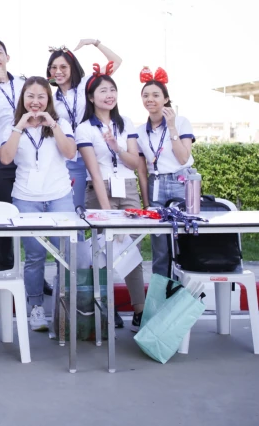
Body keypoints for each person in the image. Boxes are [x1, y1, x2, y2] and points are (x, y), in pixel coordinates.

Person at [0, 76, 76, 331]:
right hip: (26, 198)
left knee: (66, 254)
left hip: (59, 196)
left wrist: (52, 124)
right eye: (30, 96)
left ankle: (64, 306)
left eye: (41, 96)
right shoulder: (12, 126)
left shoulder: (60, 122)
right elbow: (5, 158)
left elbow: (70, 152)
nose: (35, 101)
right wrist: (19, 126)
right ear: (22, 98)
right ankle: (35, 307)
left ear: (48, 99)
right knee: (34, 256)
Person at [76, 64, 146, 331]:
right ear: (91, 97)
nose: (109, 95)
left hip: (127, 188)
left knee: (131, 248)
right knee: (102, 251)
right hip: (100, 191)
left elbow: (134, 163)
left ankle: (139, 310)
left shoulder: (125, 122)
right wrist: (108, 215)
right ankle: (105, 307)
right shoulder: (84, 129)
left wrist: (116, 147)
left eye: (112, 90)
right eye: (103, 90)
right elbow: (94, 173)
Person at [47, 39, 123, 214]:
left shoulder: (86, 84)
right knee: (75, 207)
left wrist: (95, 43)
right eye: (53, 67)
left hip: (95, 151)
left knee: (101, 204)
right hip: (71, 159)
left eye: (63, 67)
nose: (58, 71)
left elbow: (116, 62)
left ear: (73, 67)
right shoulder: (52, 100)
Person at [135, 67, 195, 278]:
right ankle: (160, 292)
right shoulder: (140, 132)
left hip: (181, 181)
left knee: (184, 241)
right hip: (156, 184)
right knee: (159, 245)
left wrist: (171, 127)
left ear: (166, 99)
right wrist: (146, 203)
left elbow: (183, 158)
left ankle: (183, 291)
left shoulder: (181, 122)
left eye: (155, 95)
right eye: (145, 95)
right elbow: (142, 171)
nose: (150, 99)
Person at [0, 39, 32, 274]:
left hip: (27, 155)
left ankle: (33, 273)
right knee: (3, 214)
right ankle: (5, 270)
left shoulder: (24, 84)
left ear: (7, 57)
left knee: (30, 215)